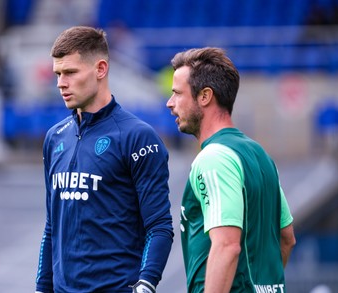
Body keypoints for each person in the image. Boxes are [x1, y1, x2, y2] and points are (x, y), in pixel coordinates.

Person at [35, 26, 174, 293]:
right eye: (58, 74)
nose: (60, 83)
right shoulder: (54, 138)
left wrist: (145, 285)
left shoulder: (138, 137)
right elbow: (52, 226)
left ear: (100, 69)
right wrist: (42, 287)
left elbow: (159, 226)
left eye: (70, 73)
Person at [166, 47, 296, 292]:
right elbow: (287, 238)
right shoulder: (261, 155)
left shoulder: (213, 158)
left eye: (176, 94)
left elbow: (227, 246)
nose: (170, 103)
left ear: (204, 96)